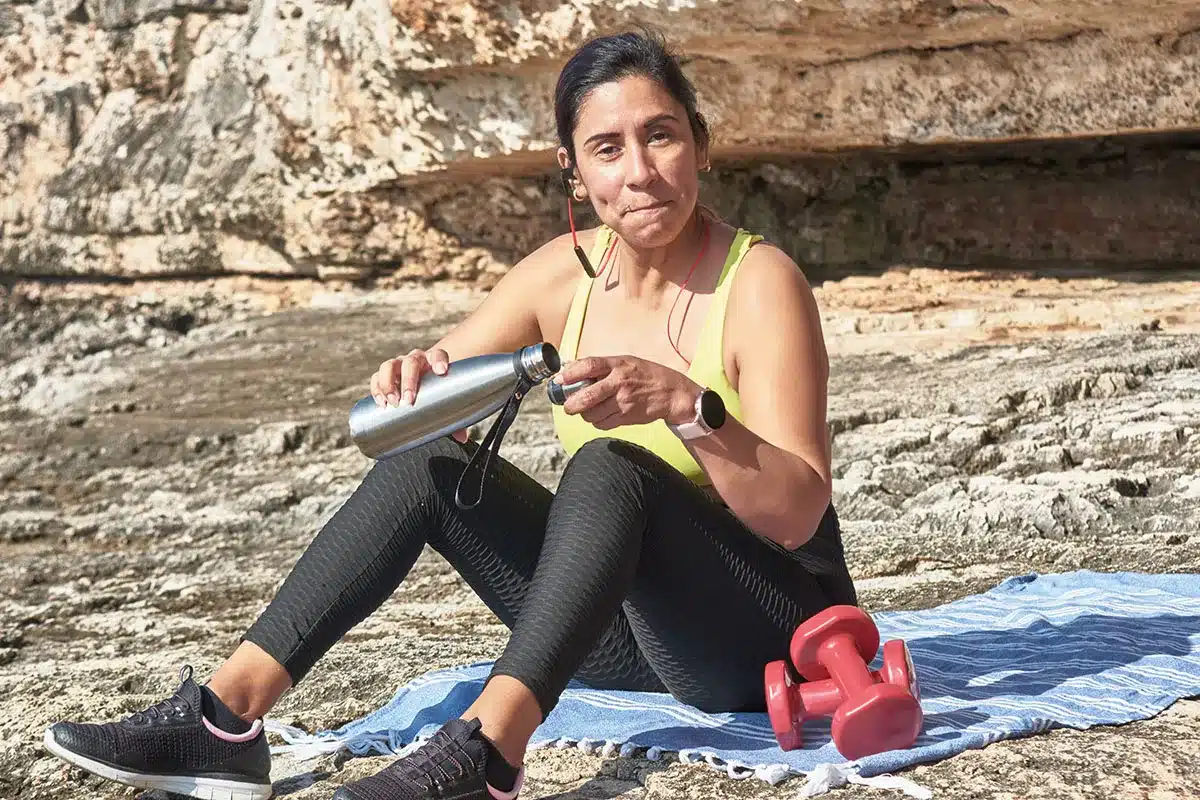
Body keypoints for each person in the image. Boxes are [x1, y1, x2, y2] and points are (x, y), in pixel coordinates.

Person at [42, 28, 857, 800]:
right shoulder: (558, 280)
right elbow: (423, 403)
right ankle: (223, 723)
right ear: (575, 173)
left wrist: (688, 407)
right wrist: (416, 383)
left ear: (700, 145)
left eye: (662, 135)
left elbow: (795, 513)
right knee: (427, 462)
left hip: (771, 638)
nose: (640, 170)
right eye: (607, 149)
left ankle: (488, 753)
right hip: (632, 642)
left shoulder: (760, 284)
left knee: (609, 468)